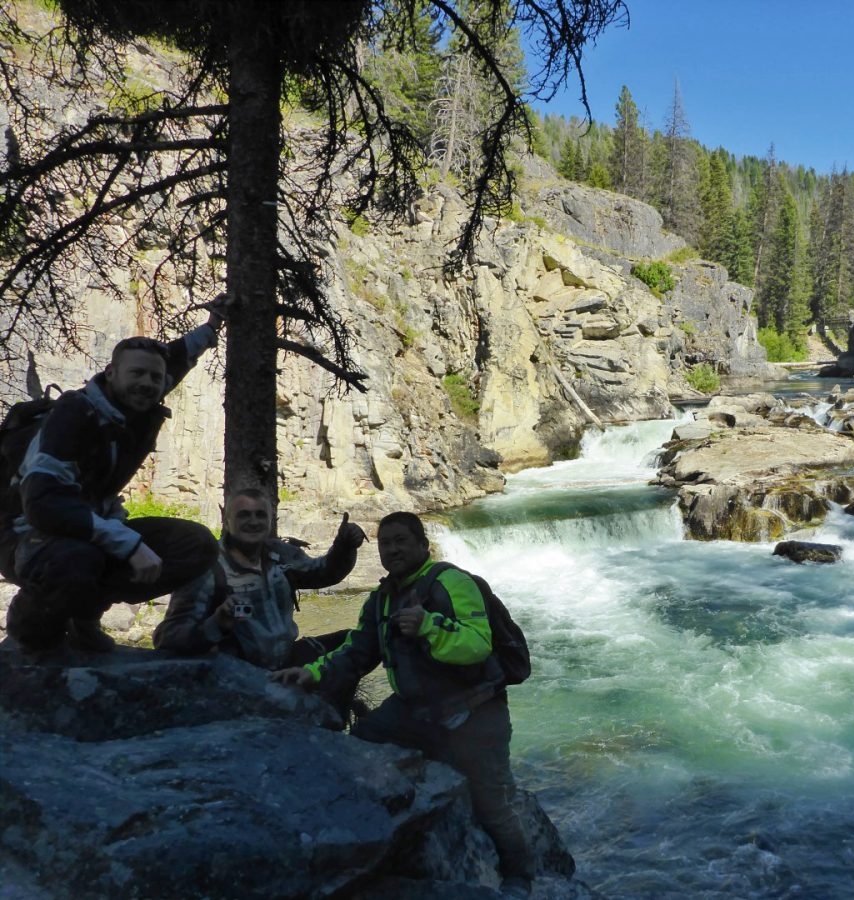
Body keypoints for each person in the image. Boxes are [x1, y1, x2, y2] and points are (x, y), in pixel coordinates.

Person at [271, 511, 536, 898]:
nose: (392, 549)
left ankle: (521, 877)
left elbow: (478, 644)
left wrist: (429, 626)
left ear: (422, 546)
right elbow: (357, 651)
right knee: (360, 742)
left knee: (492, 801)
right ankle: (381, 843)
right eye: (385, 544)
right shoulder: (380, 601)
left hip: (475, 712)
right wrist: (311, 673)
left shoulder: (452, 583)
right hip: (414, 711)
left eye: (401, 541)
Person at [1, 299, 230, 654]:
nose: (147, 383)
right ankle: (29, 627)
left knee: (197, 544)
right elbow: (43, 504)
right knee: (78, 561)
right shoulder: (74, 414)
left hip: (85, 527)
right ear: (111, 373)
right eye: (137, 373)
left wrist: (212, 326)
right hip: (25, 533)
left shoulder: (134, 402)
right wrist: (129, 544)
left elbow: (178, 358)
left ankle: (83, 614)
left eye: (155, 377)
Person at [153, 488, 366, 681]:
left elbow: (324, 573)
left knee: (363, 640)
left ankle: (333, 706)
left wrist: (344, 545)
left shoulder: (280, 554)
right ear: (226, 521)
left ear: (270, 520)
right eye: (244, 515)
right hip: (240, 674)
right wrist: (217, 623)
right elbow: (166, 638)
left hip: (289, 659)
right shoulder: (207, 569)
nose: (253, 521)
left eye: (260, 515)